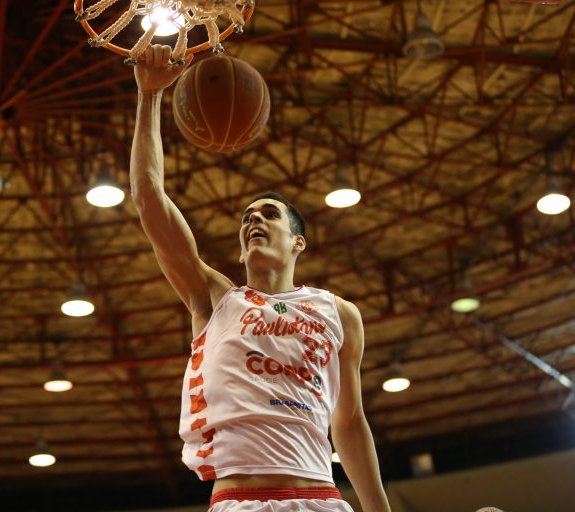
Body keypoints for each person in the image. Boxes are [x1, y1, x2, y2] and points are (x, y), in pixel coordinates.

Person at [130, 44, 391, 512]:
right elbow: (148, 196)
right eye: (247, 217)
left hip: (320, 498)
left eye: (269, 214)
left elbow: (349, 423)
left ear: (298, 242)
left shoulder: (340, 314)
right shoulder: (214, 298)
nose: (254, 220)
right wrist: (149, 97)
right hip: (241, 499)